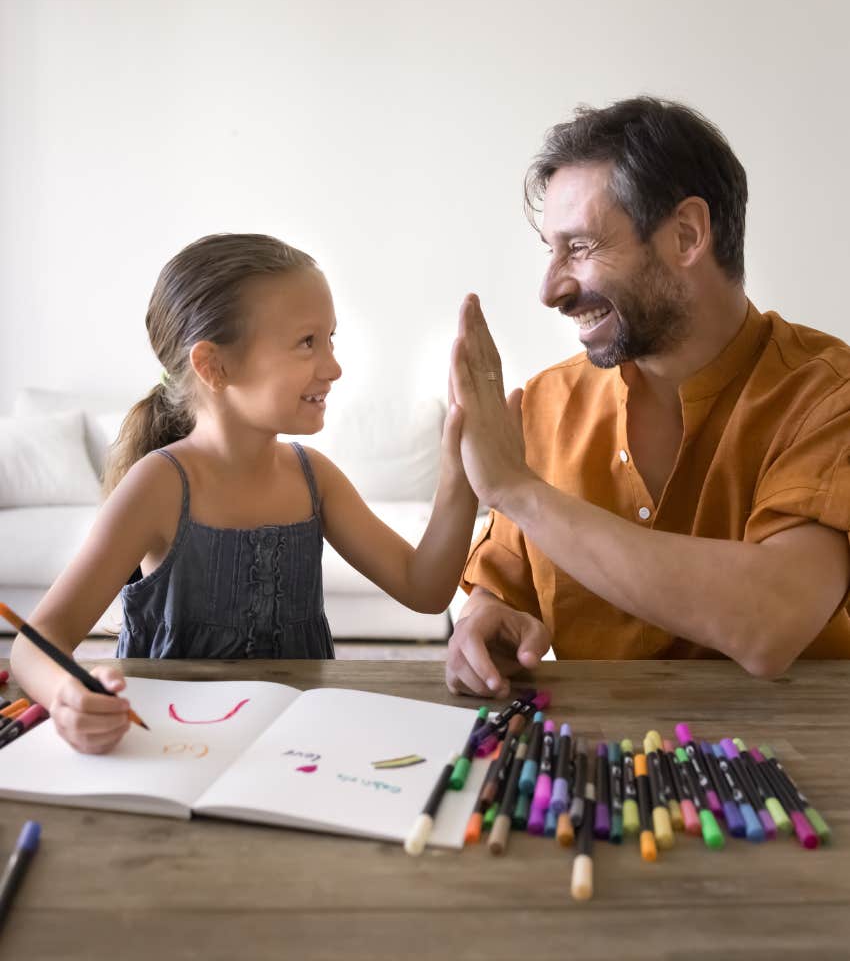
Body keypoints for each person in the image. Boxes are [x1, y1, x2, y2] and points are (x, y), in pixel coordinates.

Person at [10, 233, 478, 753]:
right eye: (307, 342)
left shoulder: (313, 477)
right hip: (172, 750)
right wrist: (66, 694)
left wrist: (460, 467)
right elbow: (36, 643)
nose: (334, 366)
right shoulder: (159, 485)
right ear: (214, 366)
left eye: (331, 339)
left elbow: (426, 588)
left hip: (296, 746)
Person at [447, 96, 850, 699]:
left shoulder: (827, 394)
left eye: (580, 247)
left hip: (797, 761)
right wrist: (483, 623)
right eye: (550, 250)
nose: (551, 288)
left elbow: (772, 622)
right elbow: (501, 585)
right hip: (595, 765)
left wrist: (517, 490)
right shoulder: (547, 401)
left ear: (687, 235)